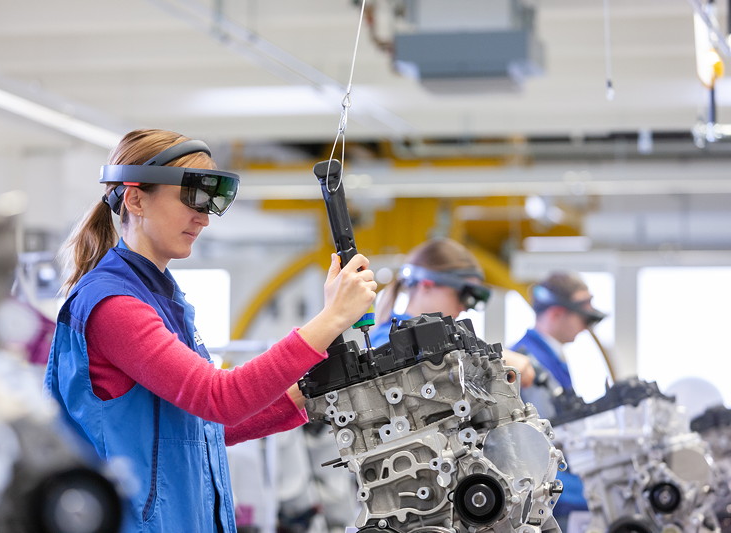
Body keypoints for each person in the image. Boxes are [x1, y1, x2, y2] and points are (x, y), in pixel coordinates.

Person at [44, 128, 377, 533]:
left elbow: (201, 429)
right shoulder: (111, 306)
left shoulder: (165, 302)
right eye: (191, 197)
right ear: (134, 198)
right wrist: (331, 320)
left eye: (210, 202)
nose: (202, 216)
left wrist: (310, 394)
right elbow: (219, 398)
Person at [510, 270, 607, 533]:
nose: (586, 327)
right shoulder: (526, 364)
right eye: (582, 317)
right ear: (555, 314)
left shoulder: (551, 358)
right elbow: (539, 445)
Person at [371, 237, 535, 387]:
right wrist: (493, 358)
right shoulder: (386, 340)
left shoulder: (450, 340)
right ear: (427, 284)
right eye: (461, 295)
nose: (464, 307)